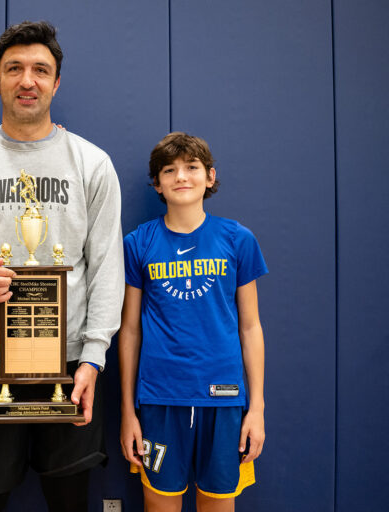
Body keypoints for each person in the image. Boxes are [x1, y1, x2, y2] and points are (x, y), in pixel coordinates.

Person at [0, 20, 124, 512]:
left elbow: (107, 270)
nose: (27, 80)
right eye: (14, 69)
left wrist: (94, 356)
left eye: (40, 69)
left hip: (72, 364)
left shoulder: (92, 164)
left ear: (56, 82)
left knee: (70, 500)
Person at [119, 132, 267, 512]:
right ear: (157, 184)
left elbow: (250, 327)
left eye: (192, 167)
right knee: (159, 503)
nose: (181, 176)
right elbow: (130, 330)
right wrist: (127, 412)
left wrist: (257, 409)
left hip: (225, 400)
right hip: (158, 402)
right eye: (169, 170)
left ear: (210, 176)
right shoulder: (138, 243)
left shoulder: (238, 239)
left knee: (218, 503)